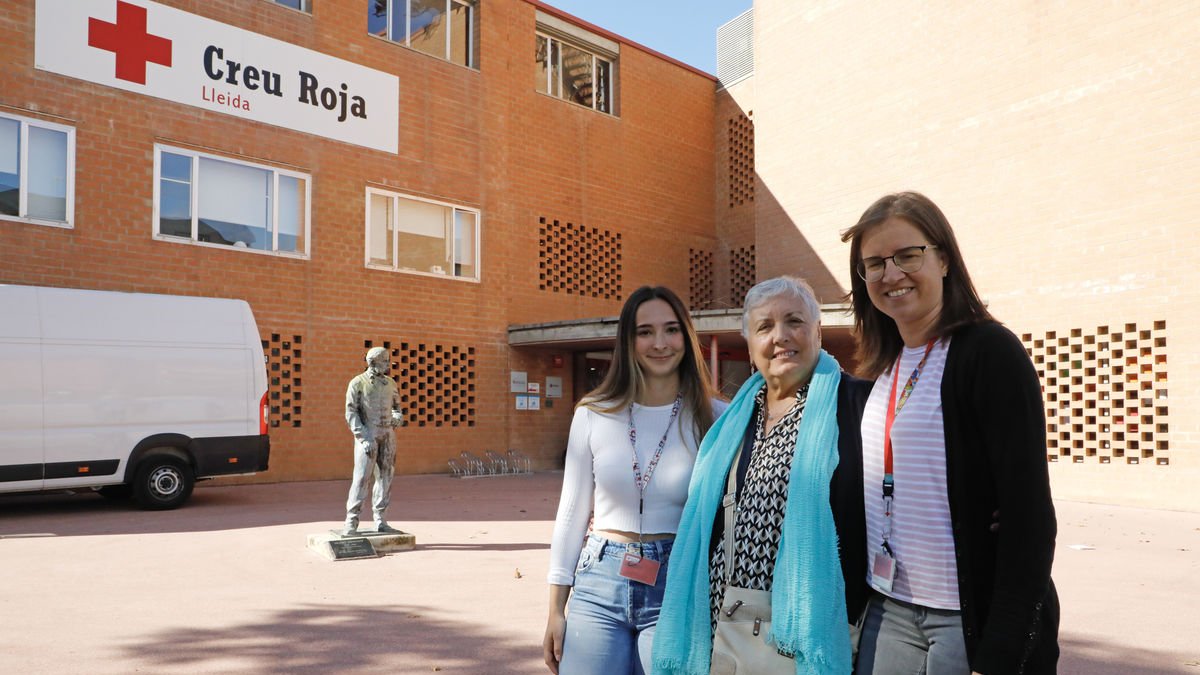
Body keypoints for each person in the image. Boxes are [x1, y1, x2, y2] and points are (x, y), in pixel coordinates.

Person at [841, 191, 1059, 674]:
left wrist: (1000, 650)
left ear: (942, 259)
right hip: (888, 608)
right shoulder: (885, 367)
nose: (891, 274)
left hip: (965, 616)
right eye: (874, 263)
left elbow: (1030, 516)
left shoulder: (989, 352)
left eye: (907, 255)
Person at [653, 276, 871, 675]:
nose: (781, 337)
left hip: (815, 629)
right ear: (751, 345)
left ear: (818, 332)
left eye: (794, 322)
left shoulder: (857, 406)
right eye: (765, 327)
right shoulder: (732, 421)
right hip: (725, 630)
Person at [544, 286, 724, 675]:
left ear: (686, 337)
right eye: (645, 332)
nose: (659, 343)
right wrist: (556, 609)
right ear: (628, 340)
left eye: (671, 330)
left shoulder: (716, 417)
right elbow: (572, 513)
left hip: (677, 582)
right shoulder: (593, 413)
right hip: (598, 580)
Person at [342, 346, 406, 536]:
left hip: (388, 435)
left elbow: (397, 407)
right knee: (361, 478)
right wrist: (363, 437)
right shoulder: (357, 383)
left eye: (388, 361)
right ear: (372, 362)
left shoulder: (391, 384)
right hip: (368, 435)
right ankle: (351, 522)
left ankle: (380, 520)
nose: (388, 365)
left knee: (385, 478)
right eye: (384, 361)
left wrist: (397, 416)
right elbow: (350, 412)